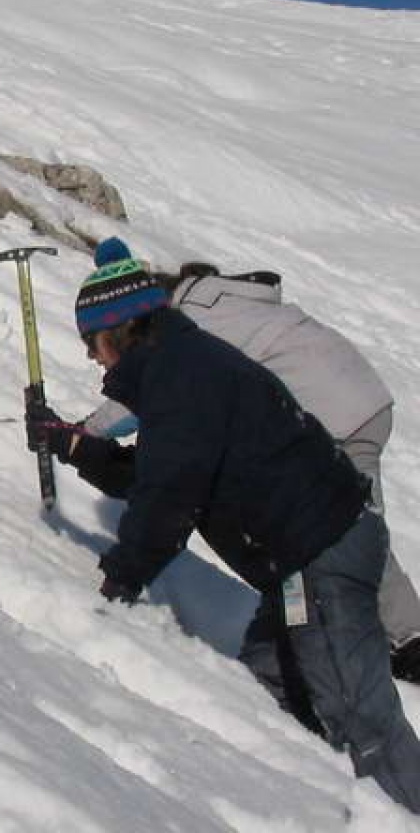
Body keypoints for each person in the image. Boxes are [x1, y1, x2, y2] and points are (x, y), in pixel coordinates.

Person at [28, 239, 420, 814]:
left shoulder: (180, 379)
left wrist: (119, 581)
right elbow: (163, 472)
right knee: (271, 682)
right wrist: (75, 447)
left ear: (115, 332)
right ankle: (336, 809)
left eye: (91, 343)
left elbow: (169, 498)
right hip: (309, 556)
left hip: (320, 558)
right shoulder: (182, 363)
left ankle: (400, 808)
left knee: (362, 718)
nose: (91, 358)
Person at [80, 247, 420, 676]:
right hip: (364, 398)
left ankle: (398, 640)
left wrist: (85, 434)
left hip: (332, 416)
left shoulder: (194, 326)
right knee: (354, 527)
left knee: (341, 531)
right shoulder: (229, 301)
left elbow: (157, 394)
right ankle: (392, 633)